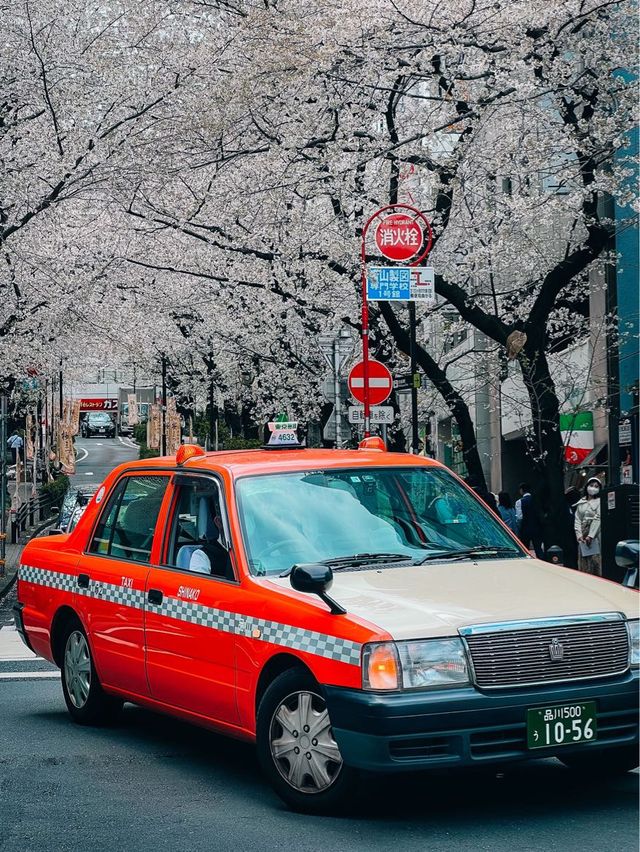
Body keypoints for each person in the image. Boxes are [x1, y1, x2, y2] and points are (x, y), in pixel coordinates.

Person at [574, 477, 602, 576]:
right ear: (587, 487)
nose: (593, 488)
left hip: (595, 534)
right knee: (584, 560)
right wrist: (579, 535)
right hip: (583, 533)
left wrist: (591, 535)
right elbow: (577, 519)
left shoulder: (600, 501)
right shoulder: (581, 502)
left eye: (596, 486)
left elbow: (598, 518)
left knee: (595, 560)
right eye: (591, 485)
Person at [516, 482, 544, 559]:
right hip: (537, 528)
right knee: (538, 548)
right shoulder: (537, 500)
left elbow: (519, 518)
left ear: (521, 490)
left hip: (525, 528)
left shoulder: (519, 502)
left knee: (525, 550)